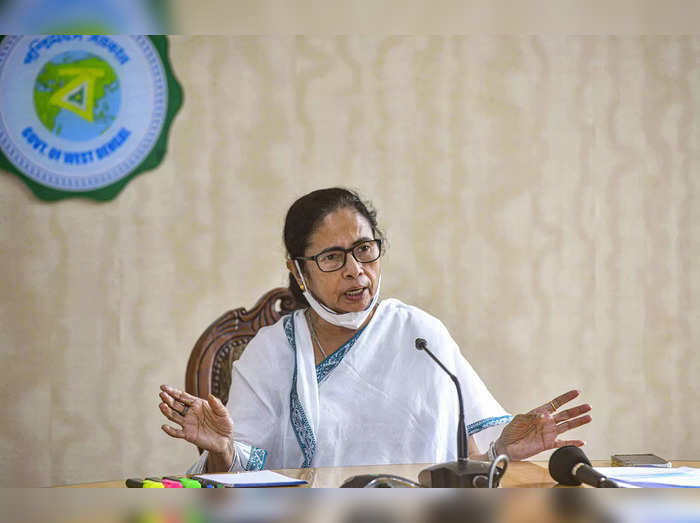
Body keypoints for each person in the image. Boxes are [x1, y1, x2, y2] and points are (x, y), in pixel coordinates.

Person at [158, 188, 592, 473]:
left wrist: (504, 449)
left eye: (364, 250)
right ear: (298, 270)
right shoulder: (271, 352)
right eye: (332, 257)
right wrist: (221, 449)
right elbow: (236, 477)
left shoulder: (422, 334)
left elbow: (468, 463)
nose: (355, 271)